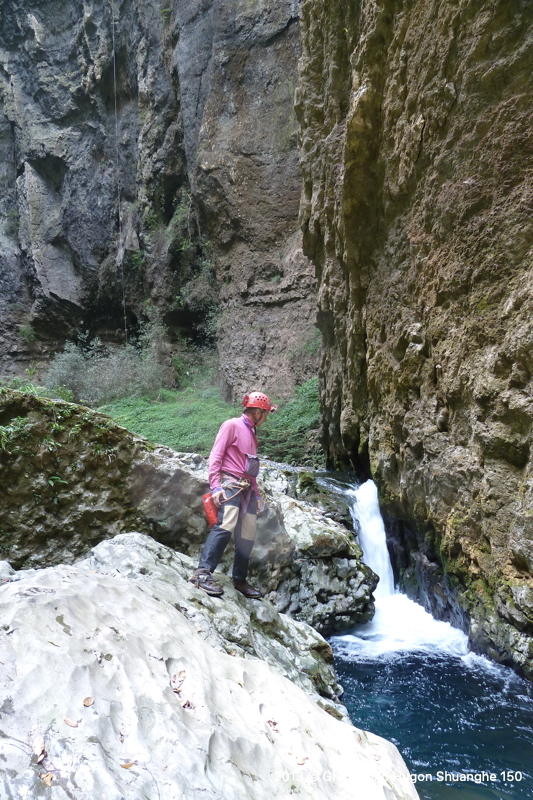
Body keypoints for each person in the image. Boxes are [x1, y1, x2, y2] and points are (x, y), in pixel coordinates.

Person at [190, 391, 277, 598]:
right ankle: (202, 575)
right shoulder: (231, 425)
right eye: (265, 414)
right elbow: (215, 456)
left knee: (247, 534)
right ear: (257, 412)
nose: (266, 418)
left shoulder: (252, 433)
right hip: (230, 484)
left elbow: (250, 468)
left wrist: (257, 495)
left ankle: (239, 580)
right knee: (225, 525)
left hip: (246, 488)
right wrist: (216, 487)